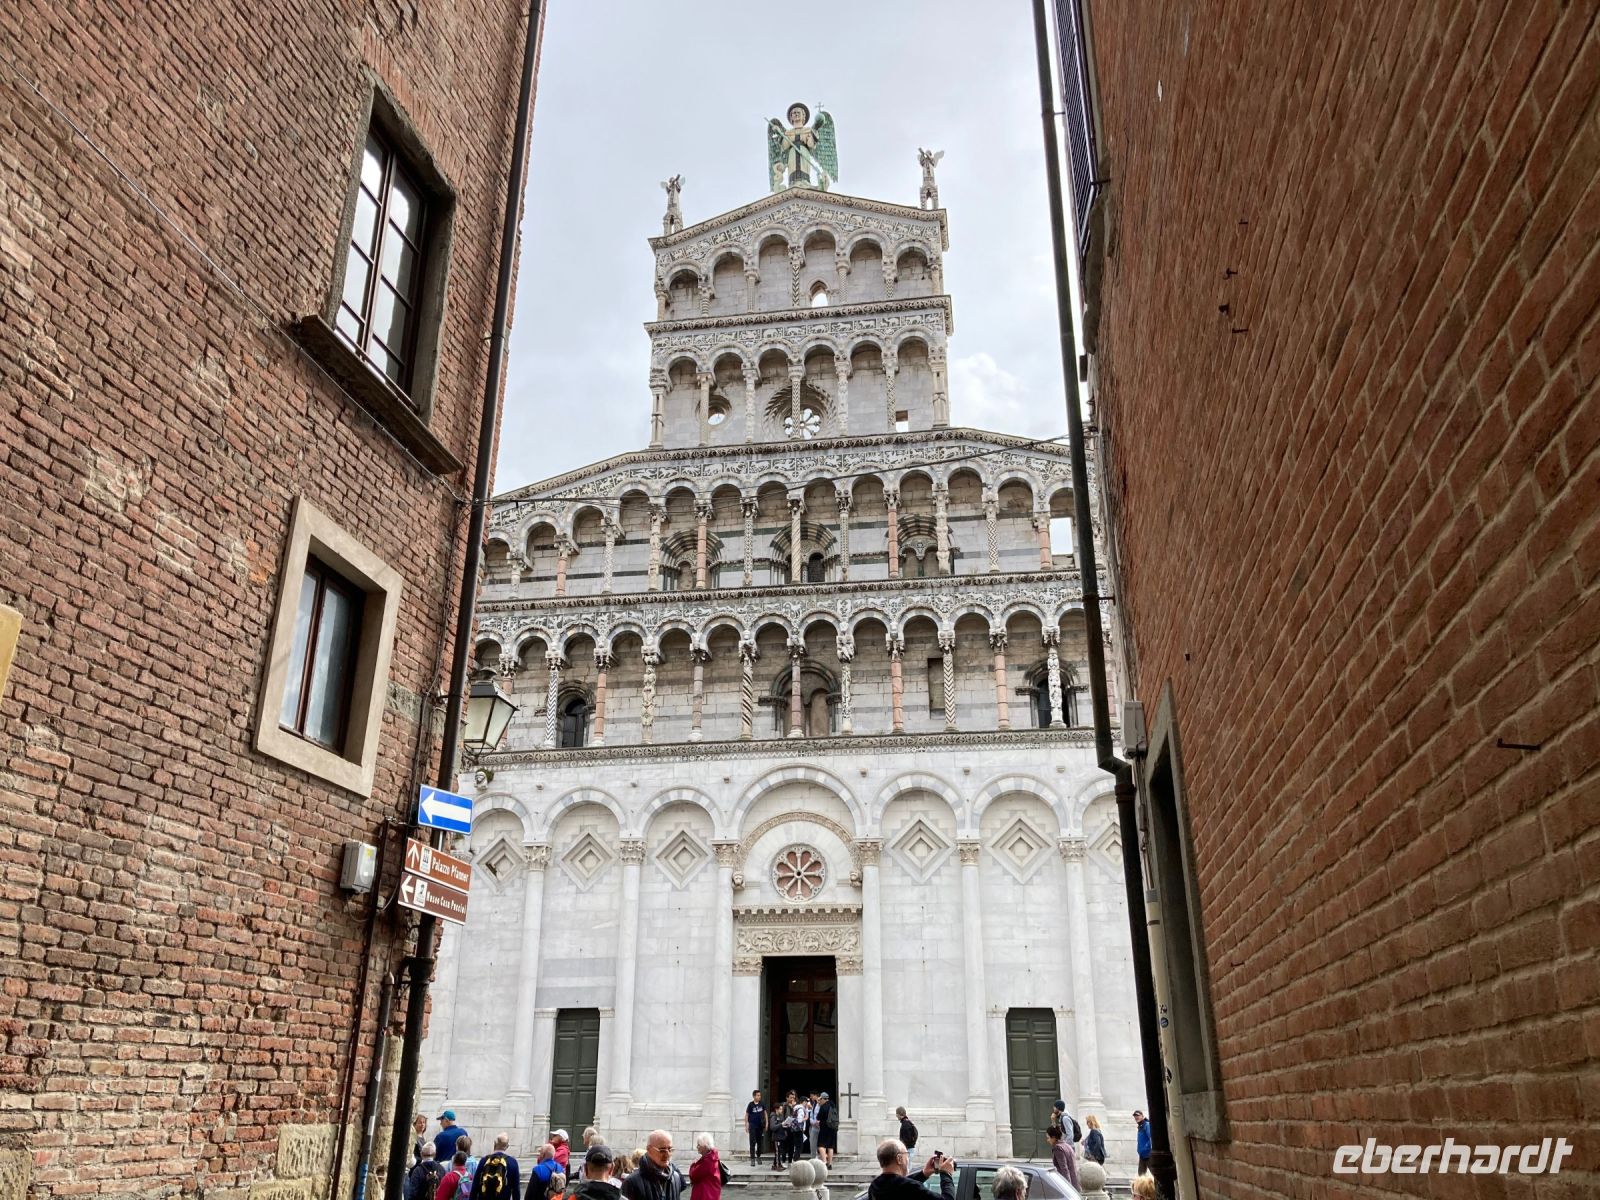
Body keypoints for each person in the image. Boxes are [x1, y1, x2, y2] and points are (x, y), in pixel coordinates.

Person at [867, 1140, 953, 1200]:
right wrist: (946, 1173)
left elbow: (897, 1184)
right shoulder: (911, 1187)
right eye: (906, 1154)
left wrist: (923, 1174)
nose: (908, 1159)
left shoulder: (874, 1186)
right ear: (899, 1159)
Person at [621, 1130, 682, 1200]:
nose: (667, 1154)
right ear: (649, 1149)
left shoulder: (676, 1178)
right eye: (662, 1150)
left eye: (670, 1149)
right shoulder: (631, 1182)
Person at [474, 1133, 519, 1200]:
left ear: (494, 1143)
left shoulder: (484, 1161)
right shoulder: (512, 1162)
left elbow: (475, 1186)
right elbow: (516, 1190)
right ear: (507, 1146)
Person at [687, 1133, 722, 1200]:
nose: (697, 1147)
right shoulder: (712, 1157)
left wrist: (693, 1164)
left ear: (705, 1146)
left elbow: (693, 1175)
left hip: (705, 1195)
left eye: (699, 1145)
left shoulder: (707, 1160)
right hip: (710, 1194)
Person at [1046, 1126, 1078, 1192]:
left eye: (1048, 1138)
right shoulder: (1067, 1145)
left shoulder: (1058, 1148)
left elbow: (1064, 1169)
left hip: (1068, 1185)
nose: (1047, 1140)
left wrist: (1068, 1187)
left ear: (1054, 1137)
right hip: (1075, 1182)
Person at [744, 1090, 767, 1165]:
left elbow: (765, 1113)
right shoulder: (750, 1105)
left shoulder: (762, 1104)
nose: (759, 1097)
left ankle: (758, 1156)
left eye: (760, 1095)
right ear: (754, 1096)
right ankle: (752, 1158)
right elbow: (747, 1115)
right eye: (757, 1095)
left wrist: (767, 1123)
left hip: (760, 1126)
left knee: (760, 1143)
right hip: (752, 1126)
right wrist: (746, 1125)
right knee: (752, 1142)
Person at [815, 1093, 837, 1166]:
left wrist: (819, 1105)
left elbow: (818, 1117)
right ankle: (830, 1164)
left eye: (820, 1099)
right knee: (830, 1146)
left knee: (821, 1145)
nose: (820, 1101)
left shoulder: (823, 1107)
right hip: (833, 1128)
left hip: (825, 1128)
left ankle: (824, 1162)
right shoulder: (833, 1105)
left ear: (823, 1099)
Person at [1134, 1111, 1152, 1175]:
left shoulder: (1146, 1125)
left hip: (1148, 1154)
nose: (1136, 1117)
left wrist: (1146, 1148)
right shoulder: (1140, 1126)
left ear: (1142, 1116)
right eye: (1135, 1116)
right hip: (1142, 1155)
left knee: (1154, 1173)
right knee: (1141, 1174)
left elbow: (1151, 1138)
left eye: (1138, 1115)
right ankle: (1141, 1185)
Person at [806, 1092, 821, 1159]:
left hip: (820, 1126)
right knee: (812, 1142)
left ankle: (822, 1157)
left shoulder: (821, 1104)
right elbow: (811, 1115)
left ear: (816, 1095)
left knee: (821, 1143)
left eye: (812, 1096)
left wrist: (818, 1122)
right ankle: (814, 1157)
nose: (811, 1097)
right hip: (813, 1126)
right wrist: (812, 1122)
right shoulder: (814, 1104)